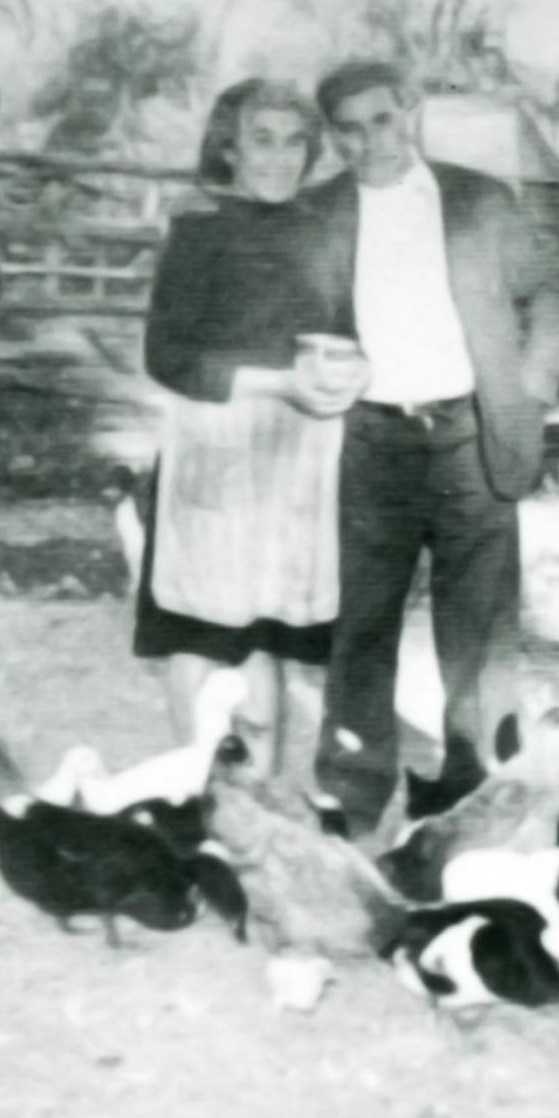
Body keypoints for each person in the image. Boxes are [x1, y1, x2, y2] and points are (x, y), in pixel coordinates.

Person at [304, 60, 559, 838]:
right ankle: (351, 799)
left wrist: (531, 388)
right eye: (348, 131)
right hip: (369, 440)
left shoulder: (478, 201)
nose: (369, 144)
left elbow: (550, 294)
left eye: (382, 122)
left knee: (480, 627)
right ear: (333, 137)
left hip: (470, 433)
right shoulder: (319, 214)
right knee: (361, 622)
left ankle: (477, 789)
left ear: (410, 112)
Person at [139, 78, 368, 778]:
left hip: (296, 462)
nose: (279, 158)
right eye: (261, 140)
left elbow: (346, 332)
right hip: (216, 454)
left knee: (267, 633)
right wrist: (274, 385)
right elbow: (167, 357)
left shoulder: (322, 229)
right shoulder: (199, 228)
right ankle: (198, 790)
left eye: (295, 141)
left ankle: (258, 795)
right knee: (204, 633)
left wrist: (354, 373)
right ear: (229, 148)